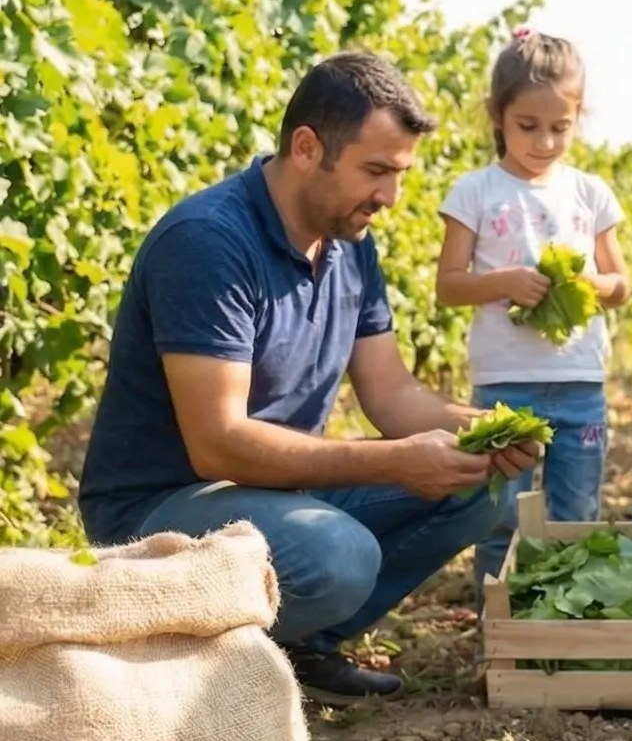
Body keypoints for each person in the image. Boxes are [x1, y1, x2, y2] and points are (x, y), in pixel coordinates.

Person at [79, 52, 540, 704]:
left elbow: (392, 393)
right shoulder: (208, 242)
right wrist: (395, 463)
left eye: (399, 175)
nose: (390, 197)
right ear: (306, 148)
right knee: (337, 555)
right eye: (376, 171)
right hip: (161, 507)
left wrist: (490, 431)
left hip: (270, 491)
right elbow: (217, 444)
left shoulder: (351, 245)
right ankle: (172, 658)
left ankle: (299, 647)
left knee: (479, 485)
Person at [435, 29, 629, 595]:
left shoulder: (590, 193)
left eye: (559, 128)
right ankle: (497, 623)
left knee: (576, 514)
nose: (544, 141)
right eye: (528, 126)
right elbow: (448, 286)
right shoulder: (475, 192)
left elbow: (622, 284)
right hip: (505, 384)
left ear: (577, 119)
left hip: (579, 381)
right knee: (499, 516)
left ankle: (566, 618)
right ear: (497, 115)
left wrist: (587, 286)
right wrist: (506, 283)